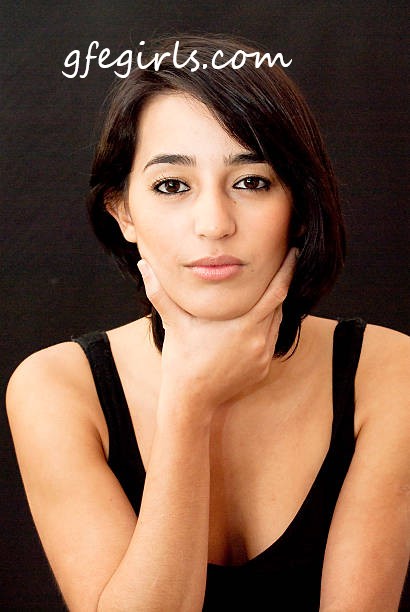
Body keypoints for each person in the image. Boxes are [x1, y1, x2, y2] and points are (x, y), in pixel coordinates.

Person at [6, 33, 409, 611]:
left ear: (299, 206)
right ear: (123, 211)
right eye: (172, 185)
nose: (214, 223)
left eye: (251, 182)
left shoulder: (388, 373)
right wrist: (189, 403)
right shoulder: (56, 388)